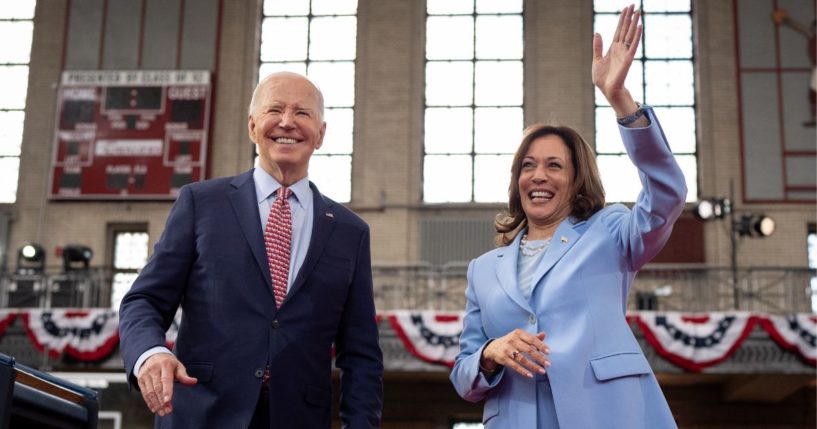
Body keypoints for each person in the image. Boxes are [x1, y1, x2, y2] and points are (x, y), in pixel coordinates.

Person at [450, 5, 686, 428]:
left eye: (554, 165)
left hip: (608, 415)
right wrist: (490, 354)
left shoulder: (610, 233)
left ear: (577, 181)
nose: (538, 175)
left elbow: (668, 194)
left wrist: (621, 100)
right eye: (527, 166)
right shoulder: (483, 270)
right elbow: (464, 376)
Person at [119, 71, 383, 428]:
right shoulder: (200, 204)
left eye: (303, 113)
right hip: (201, 415)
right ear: (252, 125)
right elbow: (144, 300)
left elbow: (362, 354)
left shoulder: (351, 232)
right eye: (275, 109)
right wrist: (150, 354)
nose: (287, 122)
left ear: (320, 134)